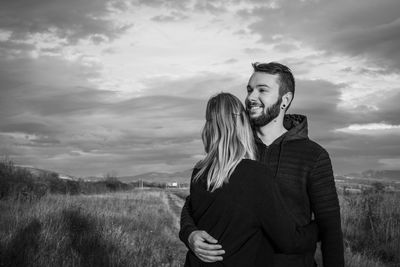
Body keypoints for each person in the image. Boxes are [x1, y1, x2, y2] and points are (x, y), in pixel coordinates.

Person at [180, 62, 344, 267]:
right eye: (249, 90)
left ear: (285, 100)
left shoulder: (313, 156)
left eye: (262, 90)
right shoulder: (237, 148)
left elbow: (330, 229)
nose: (250, 97)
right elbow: (195, 201)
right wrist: (189, 233)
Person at [184, 92, 318, 266]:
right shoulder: (255, 174)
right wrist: (319, 226)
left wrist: (188, 232)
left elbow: (189, 206)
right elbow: (290, 241)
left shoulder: (199, 173)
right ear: (241, 124)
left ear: (209, 127)